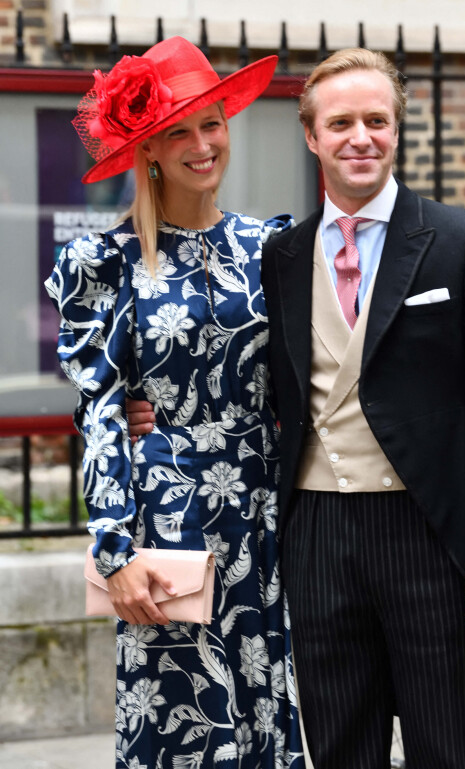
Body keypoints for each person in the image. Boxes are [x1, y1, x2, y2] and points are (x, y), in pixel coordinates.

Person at [127, 47, 465, 768]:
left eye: (377, 120)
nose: (362, 136)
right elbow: (234, 368)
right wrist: (153, 406)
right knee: (341, 749)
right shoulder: (281, 256)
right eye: (343, 121)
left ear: (397, 130)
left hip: (430, 535)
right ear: (312, 135)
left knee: (448, 749)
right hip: (316, 534)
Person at [45, 36, 306, 769]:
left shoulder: (271, 247)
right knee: (182, 727)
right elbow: (99, 411)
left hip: (260, 521)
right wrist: (113, 548)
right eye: (177, 132)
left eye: (212, 123)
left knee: (261, 719)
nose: (202, 144)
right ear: (148, 151)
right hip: (167, 524)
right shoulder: (104, 261)